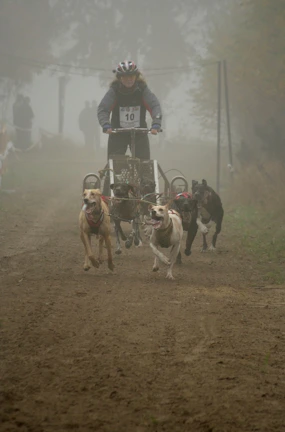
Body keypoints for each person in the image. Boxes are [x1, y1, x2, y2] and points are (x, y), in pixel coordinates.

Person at [97, 60, 162, 160]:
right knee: (114, 166)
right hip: (117, 133)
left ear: (136, 77)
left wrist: (156, 123)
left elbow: (154, 106)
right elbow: (103, 109)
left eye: (131, 76)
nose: (129, 80)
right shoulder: (114, 91)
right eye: (125, 77)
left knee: (145, 166)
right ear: (120, 78)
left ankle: (144, 175)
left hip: (139, 133)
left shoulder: (142, 89)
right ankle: (110, 174)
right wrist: (105, 124)